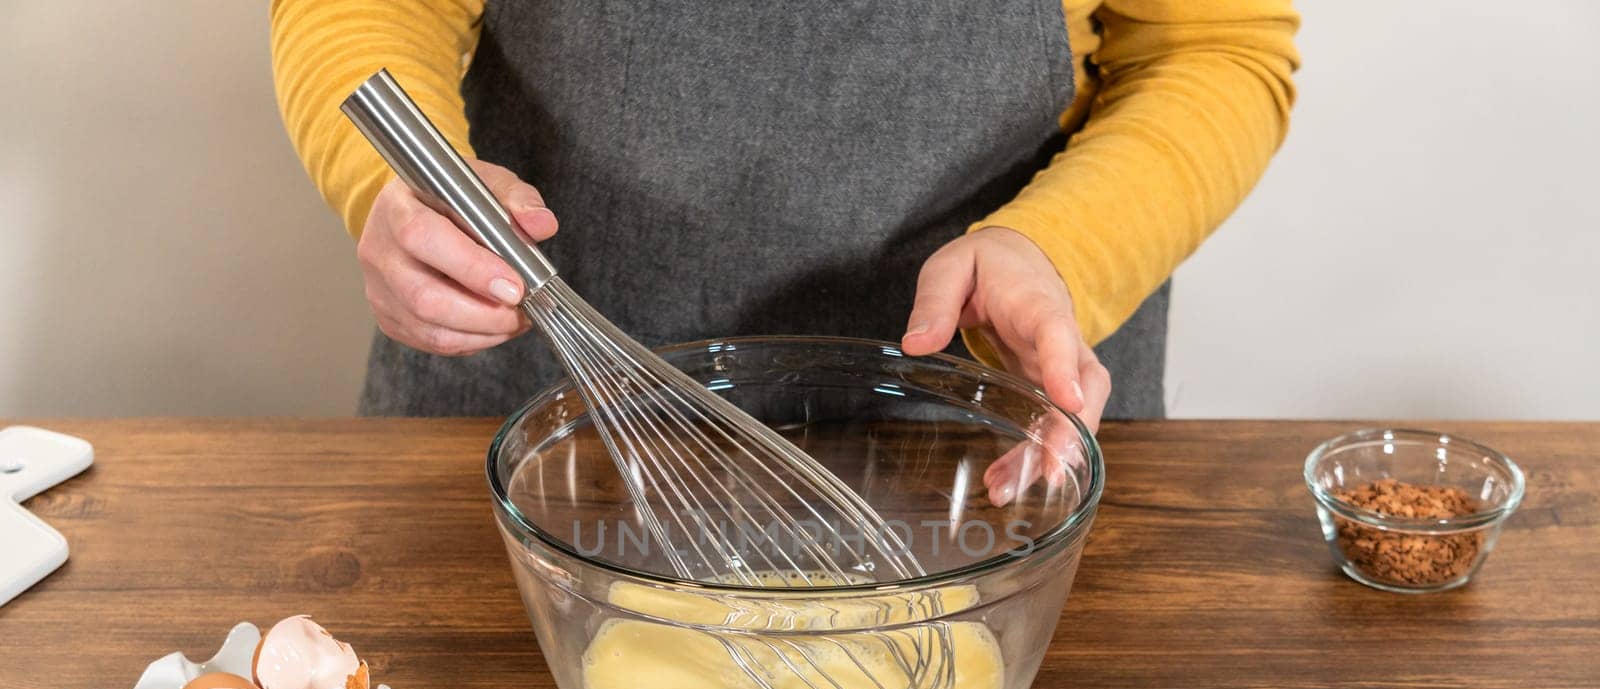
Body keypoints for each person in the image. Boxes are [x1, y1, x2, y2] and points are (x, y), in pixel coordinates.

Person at [271, 1, 1298, 431]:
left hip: (982, 425)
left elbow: (1206, 48)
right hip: (539, 386)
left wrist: (1060, 251)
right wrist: (400, 184)